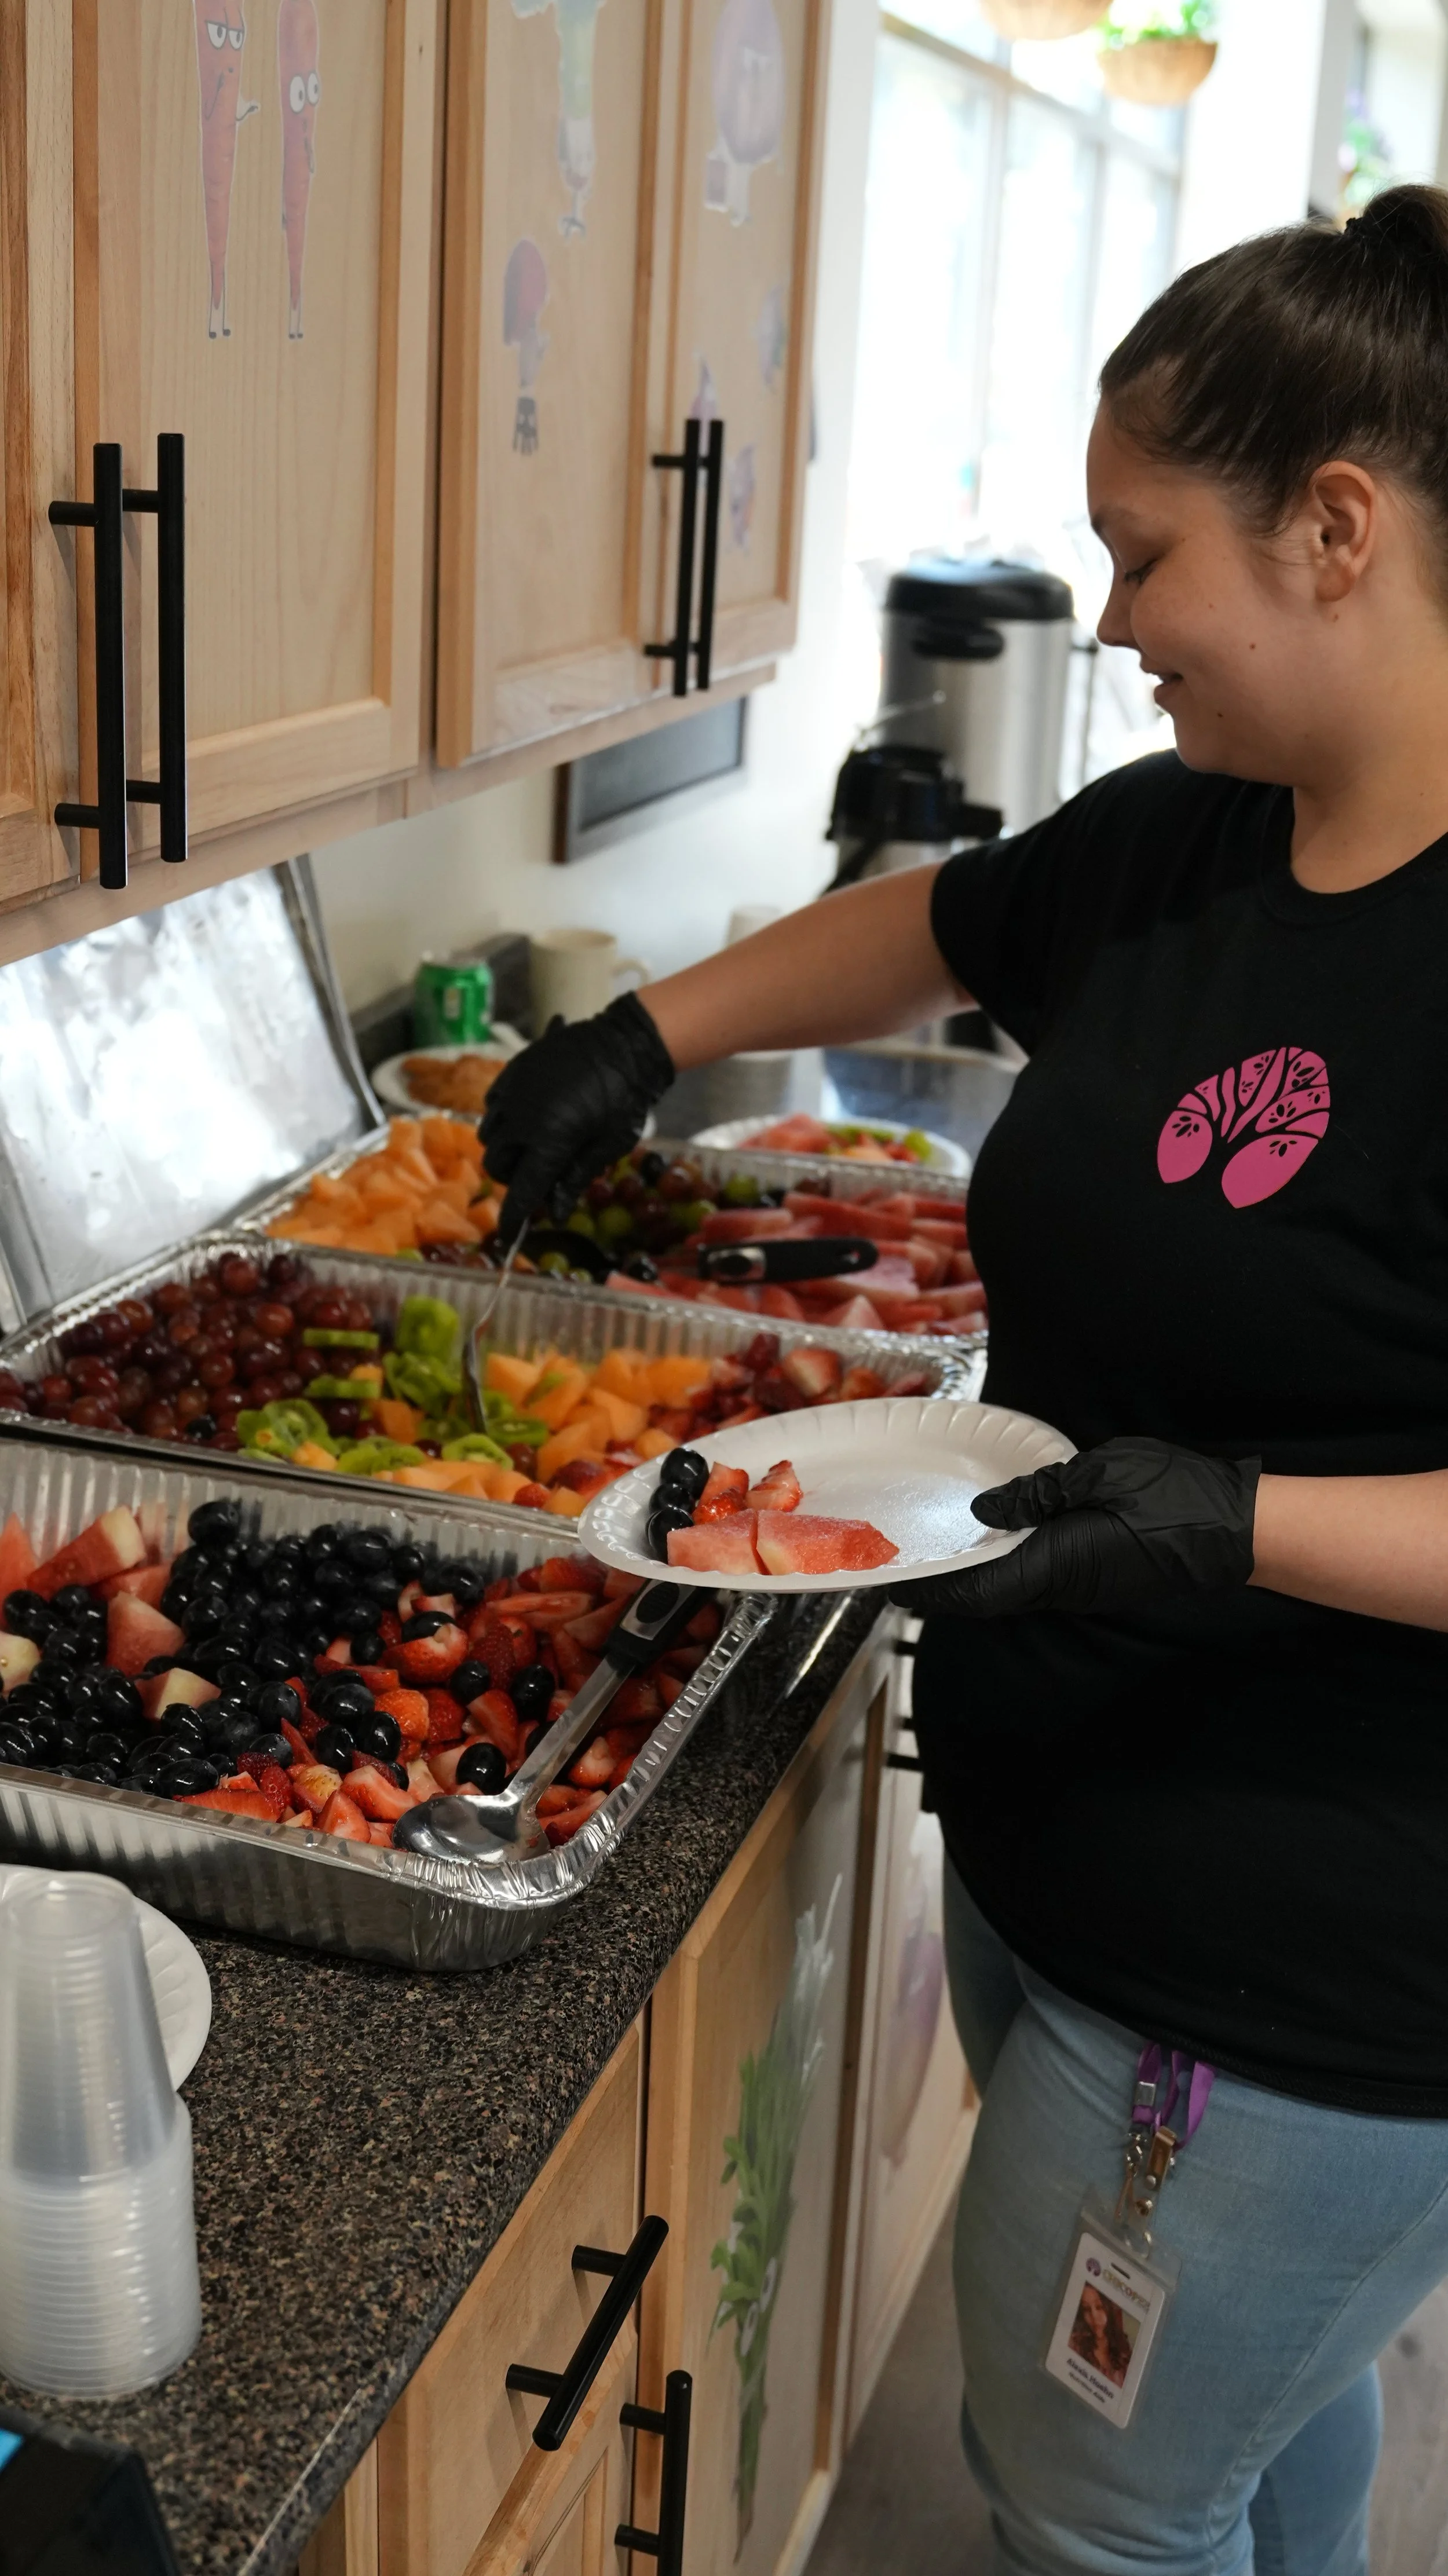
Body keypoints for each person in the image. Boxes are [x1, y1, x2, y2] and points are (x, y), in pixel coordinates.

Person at [482, 184, 1448, 2575]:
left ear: (1334, 529)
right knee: (1222, 2446)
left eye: (1144, 554)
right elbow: (939, 912)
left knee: (1096, 2504)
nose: (1110, 618)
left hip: (1306, 1956)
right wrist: (646, 1026)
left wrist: (1232, 1519)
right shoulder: (1197, 839)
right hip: (1061, 1847)